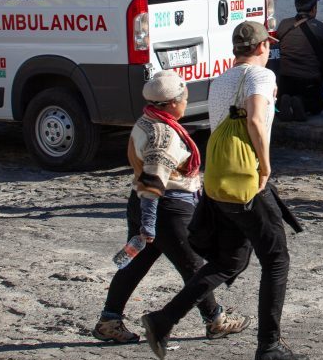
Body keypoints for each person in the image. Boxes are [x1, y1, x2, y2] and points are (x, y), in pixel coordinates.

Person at [141, 22, 309, 360]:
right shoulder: (261, 77)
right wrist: (265, 166)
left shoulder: (221, 80)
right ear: (263, 46)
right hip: (247, 180)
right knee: (277, 260)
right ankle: (269, 345)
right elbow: (256, 121)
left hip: (219, 181)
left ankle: (162, 321)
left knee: (229, 262)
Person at [94, 71, 250, 344]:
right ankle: (215, 320)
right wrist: (149, 224)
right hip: (166, 208)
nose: (186, 103)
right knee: (194, 266)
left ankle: (109, 320)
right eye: (184, 98)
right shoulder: (163, 136)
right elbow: (154, 182)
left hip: (142, 202)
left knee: (135, 264)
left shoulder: (145, 121)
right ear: (170, 104)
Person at [275, 0, 323, 119]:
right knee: (318, 105)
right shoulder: (320, 27)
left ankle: (285, 101)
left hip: (284, 80)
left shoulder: (283, 24)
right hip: (308, 81)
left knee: (288, 93)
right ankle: (302, 103)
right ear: (314, 8)